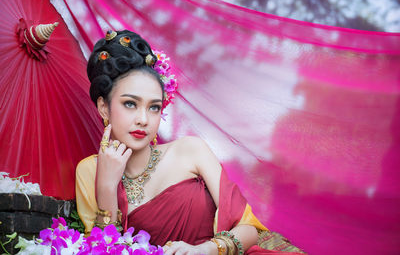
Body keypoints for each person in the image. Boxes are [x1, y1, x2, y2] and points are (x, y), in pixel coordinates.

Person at [76, 30, 305, 255]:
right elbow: (101, 249)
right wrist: (107, 187)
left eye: (153, 107)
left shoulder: (190, 150)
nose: (143, 120)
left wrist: (206, 249)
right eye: (130, 104)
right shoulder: (89, 171)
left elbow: (249, 229)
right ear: (104, 107)